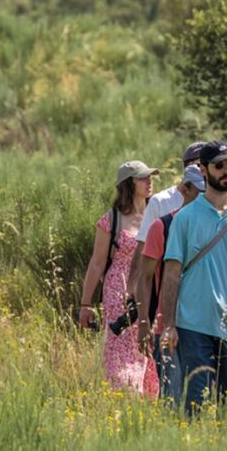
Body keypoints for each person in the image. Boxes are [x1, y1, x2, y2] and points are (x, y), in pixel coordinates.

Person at [160, 141, 227, 416]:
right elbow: (171, 273)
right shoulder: (185, 218)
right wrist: (169, 325)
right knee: (195, 404)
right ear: (203, 170)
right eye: (219, 165)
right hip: (193, 323)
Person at [77, 161, 160, 396]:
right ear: (128, 184)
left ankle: (148, 402)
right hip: (118, 294)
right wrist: (85, 304)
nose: (149, 181)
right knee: (121, 354)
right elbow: (96, 264)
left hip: (150, 291)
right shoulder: (111, 220)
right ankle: (123, 399)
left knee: (150, 350)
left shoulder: (157, 214)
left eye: (150, 177)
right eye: (142, 178)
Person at [137, 164, 206, 403]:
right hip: (168, 326)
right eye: (200, 191)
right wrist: (143, 323)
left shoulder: (216, 226)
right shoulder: (162, 227)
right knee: (173, 399)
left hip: (206, 326)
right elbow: (145, 277)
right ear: (185, 189)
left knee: (204, 400)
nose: (206, 197)